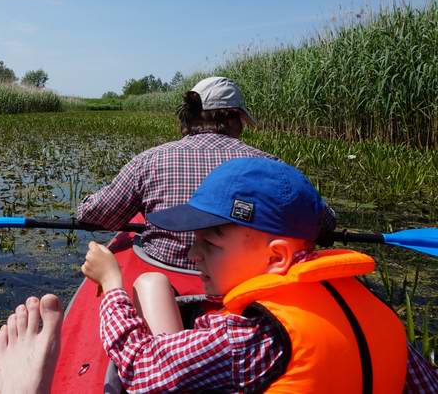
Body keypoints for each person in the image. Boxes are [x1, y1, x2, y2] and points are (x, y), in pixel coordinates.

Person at [80, 157, 438, 392]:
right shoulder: (378, 312)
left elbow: (142, 368)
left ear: (277, 256)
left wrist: (112, 285)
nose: (193, 254)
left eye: (211, 244)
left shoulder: (250, 336)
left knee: (148, 289)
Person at [76, 76, 277, 270]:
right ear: (232, 119)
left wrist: (86, 204)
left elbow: (97, 214)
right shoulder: (270, 166)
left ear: (189, 118)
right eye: (241, 121)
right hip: (240, 276)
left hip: (165, 274)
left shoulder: (149, 160)